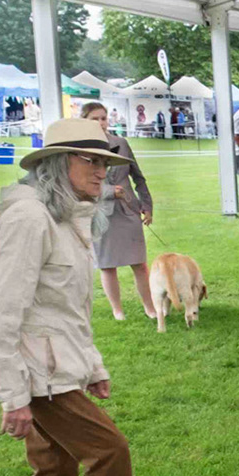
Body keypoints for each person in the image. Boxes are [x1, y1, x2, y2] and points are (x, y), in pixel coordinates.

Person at [0, 118, 160, 476]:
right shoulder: (28, 218)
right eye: (92, 161)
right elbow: (0, 310)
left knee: (54, 467)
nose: (103, 172)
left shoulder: (66, 217)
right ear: (59, 164)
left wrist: (93, 366)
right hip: (37, 376)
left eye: (106, 161)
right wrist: (12, 394)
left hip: (57, 367)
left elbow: (67, 308)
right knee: (109, 450)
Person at [80, 103, 156, 324]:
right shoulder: (80, 150)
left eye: (103, 118)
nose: (101, 123)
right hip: (101, 214)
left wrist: (147, 205)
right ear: (85, 121)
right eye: (95, 119)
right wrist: (108, 191)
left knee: (140, 264)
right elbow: (79, 185)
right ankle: (117, 310)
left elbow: (138, 177)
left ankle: (150, 307)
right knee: (107, 265)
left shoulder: (121, 144)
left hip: (128, 210)